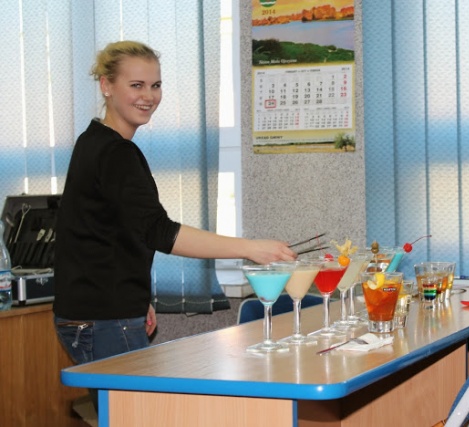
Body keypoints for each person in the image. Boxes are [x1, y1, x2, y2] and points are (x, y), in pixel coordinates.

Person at [53, 41, 296, 406]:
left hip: (102, 312)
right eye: (136, 85)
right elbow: (159, 231)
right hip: (103, 319)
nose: (149, 96)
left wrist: (136, 300)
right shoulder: (115, 152)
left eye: (156, 85)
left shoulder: (95, 141)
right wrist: (251, 248)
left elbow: (109, 234)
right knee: (137, 415)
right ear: (106, 85)